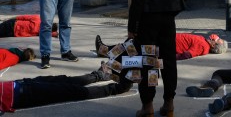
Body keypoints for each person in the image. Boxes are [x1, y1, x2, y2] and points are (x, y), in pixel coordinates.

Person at [0, 62, 132, 113]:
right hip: (23, 95)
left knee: (65, 80)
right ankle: (118, 88)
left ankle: (100, 75)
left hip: (20, 83)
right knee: (70, 91)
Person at [94, 33, 228, 60]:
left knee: (133, 46)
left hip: (163, 45)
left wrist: (170, 57)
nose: (216, 37)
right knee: (132, 45)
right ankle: (105, 50)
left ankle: (104, 50)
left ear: (214, 45)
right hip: (163, 40)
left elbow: (188, 54)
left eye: (218, 40)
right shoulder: (203, 41)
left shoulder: (202, 46)